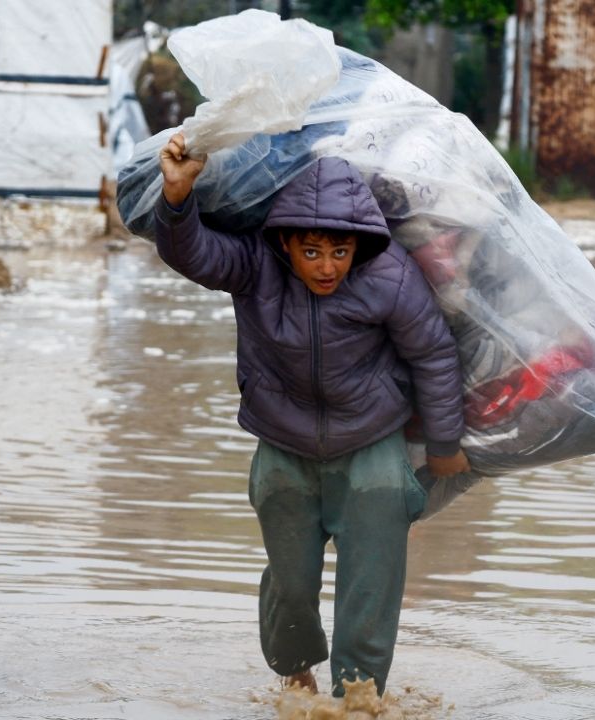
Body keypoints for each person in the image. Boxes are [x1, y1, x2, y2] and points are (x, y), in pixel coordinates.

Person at [154, 132, 470, 697]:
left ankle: (358, 698)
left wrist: (445, 444)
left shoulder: (390, 275)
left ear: (361, 245)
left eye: (340, 252)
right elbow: (193, 253)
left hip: (371, 445)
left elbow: (433, 355)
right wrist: (178, 198)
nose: (327, 267)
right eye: (312, 251)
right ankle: (295, 680)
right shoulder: (255, 266)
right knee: (291, 583)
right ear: (285, 244)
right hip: (282, 444)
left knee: (371, 584)